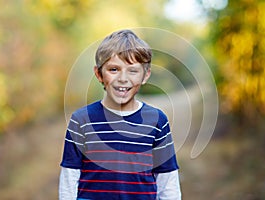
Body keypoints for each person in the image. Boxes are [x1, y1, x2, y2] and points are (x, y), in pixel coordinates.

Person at [59, 29, 181, 200]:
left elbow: (167, 180)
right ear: (99, 74)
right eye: (114, 69)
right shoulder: (81, 121)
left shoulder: (157, 121)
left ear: (145, 75)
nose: (123, 78)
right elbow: (69, 179)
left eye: (133, 71)